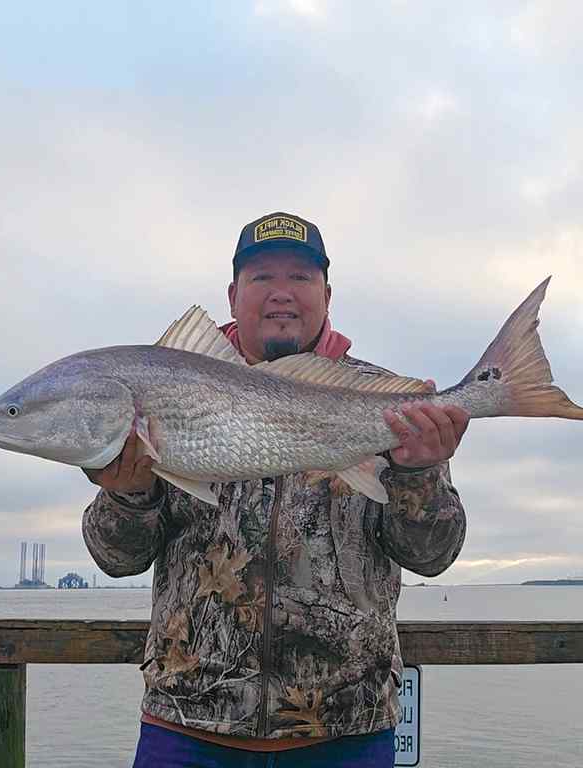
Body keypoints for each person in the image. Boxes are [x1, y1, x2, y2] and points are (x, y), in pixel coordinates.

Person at [82, 212, 469, 767]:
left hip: (346, 731)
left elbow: (433, 556)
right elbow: (116, 559)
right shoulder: (161, 387)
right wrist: (129, 495)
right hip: (188, 726)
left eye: (301, 277)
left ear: (327, 295)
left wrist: (419, 474)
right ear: (233, 293)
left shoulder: (383, 400)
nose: (281, 293)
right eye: (262, 277)